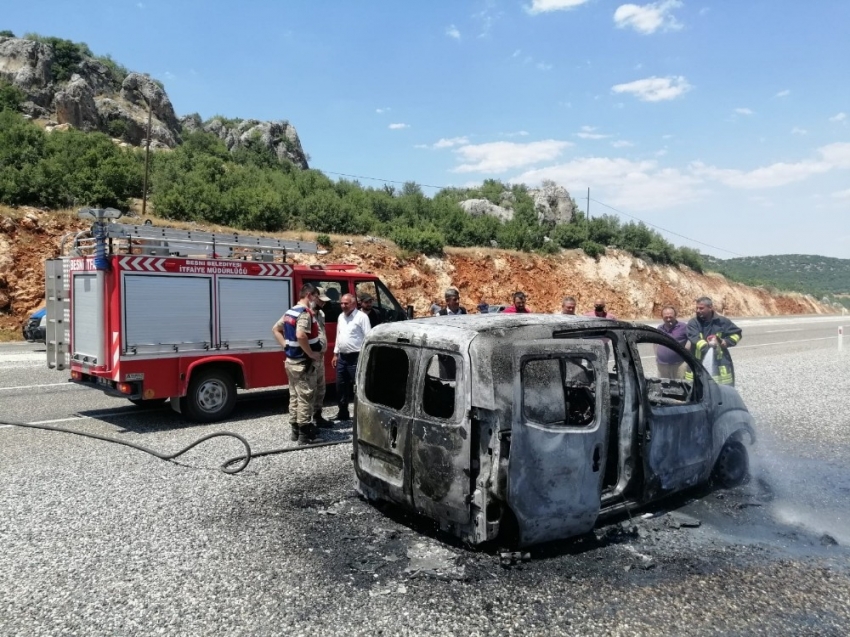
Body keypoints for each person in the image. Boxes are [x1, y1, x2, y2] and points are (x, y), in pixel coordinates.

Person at [272, 283, 322, 444]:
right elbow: (301, 335)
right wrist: (311, 353)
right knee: (306, 397)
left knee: (294, 396)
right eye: (315, 296)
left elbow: (275, 329)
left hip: (291, 361)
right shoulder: (304, 313)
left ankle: (294, 430)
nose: (316, 300)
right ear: (309, 295)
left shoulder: (290, 312)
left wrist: (286, 346)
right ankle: (304, 435)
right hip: (302, 363)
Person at [685, 296, 742, 386]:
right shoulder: (693, 323)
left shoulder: (722, 321)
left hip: (720, 364)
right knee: (697, 392)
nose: (698, 310)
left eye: (701, 308)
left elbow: (737, 334)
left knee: (722, 391)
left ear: (710, 307)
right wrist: (709, 347)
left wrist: (726, 342)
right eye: (697, 308)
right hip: (698, 363)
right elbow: (694, 338)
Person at [332, 293, 372, 421]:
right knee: (340, 386)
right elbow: (339, 336)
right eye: (341, 303)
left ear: (354, 304)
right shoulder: (340, 317)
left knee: (358, 387)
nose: (343, 306)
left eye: (346, 303)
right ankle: (343, 413)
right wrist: (335, 353)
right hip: (342, 358)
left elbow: (368, 337)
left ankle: (362, 416)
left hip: (357, 357)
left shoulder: (362, 317)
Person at [312, 287, 333, 428]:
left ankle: (318, 416)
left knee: (321, 389)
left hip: (320, 358)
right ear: (313, 297)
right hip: (311, 358)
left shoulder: (321, 314)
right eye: (321, 300)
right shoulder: (305, 314)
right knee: (310, 390)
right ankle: (307, 422)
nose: (323, 303)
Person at [655, 305, 688, 379]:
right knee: (664, 388)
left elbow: (692, 340)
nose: (668, 319)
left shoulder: (683, 327)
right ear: (662, 317)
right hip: (662, 366)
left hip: (679, 365)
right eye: (666, 317)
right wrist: (657, 355)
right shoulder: (659, 328)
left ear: (675, 316)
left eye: (671, 317)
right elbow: (655, 343)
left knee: (681, 387)